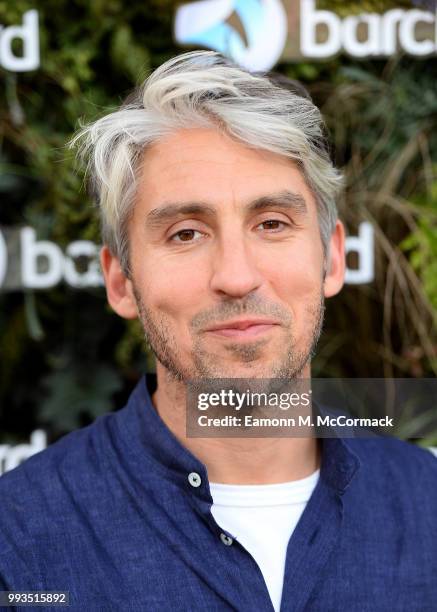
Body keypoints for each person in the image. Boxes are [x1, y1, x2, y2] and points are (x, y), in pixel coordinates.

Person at [0, 50, 436, 612]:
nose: (236, 276)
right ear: (121, 282)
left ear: (331, 260)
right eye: (186, 233)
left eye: (272, 223)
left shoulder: (427, 506)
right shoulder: (18, 541)